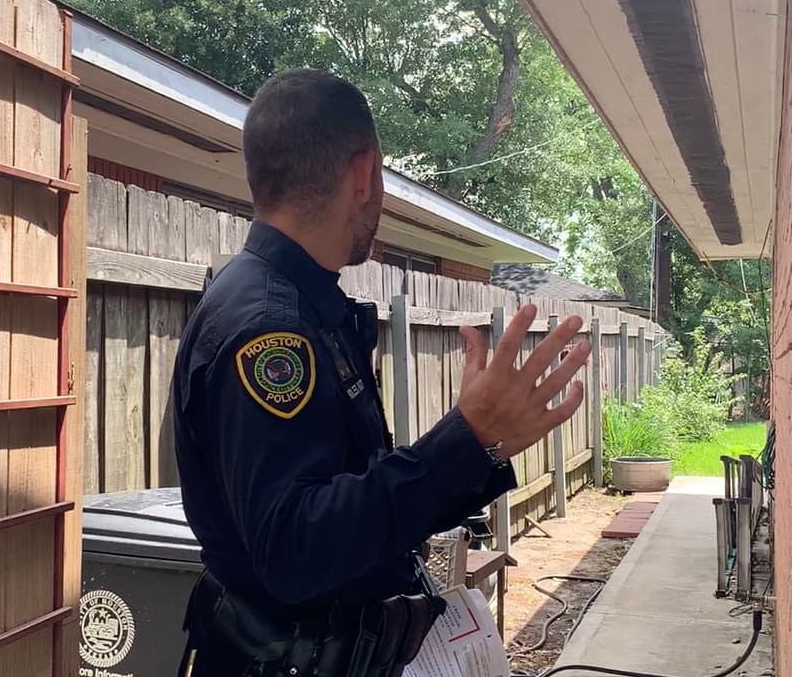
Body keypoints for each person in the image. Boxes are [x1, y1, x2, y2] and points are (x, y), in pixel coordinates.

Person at [172, 68, 592, 677]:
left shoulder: (301, 303)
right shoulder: (269, 329)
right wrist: (465, 439)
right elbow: (294, 550)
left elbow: (359, 505)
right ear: (365, 174)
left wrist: (478, 449)